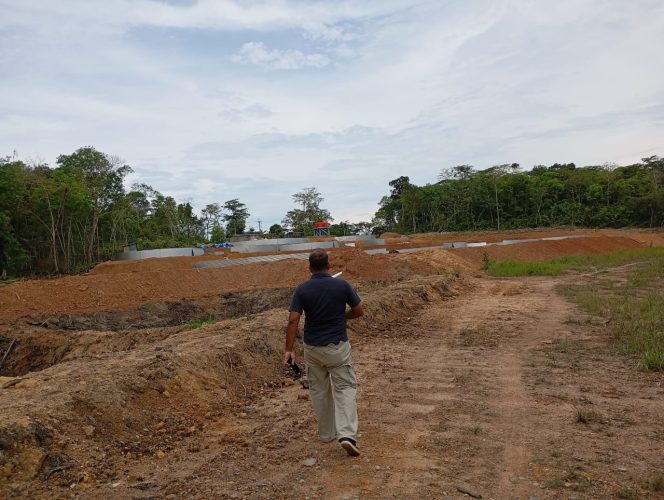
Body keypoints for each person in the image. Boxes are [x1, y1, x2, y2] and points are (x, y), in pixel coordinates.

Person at [284, 248, 364, 456]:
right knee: (345, 388)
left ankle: (328, 434)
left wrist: (289, 349)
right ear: (329, 266)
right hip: (337, 347)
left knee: (319, 391)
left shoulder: (302, 290)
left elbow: (293, 319)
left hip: (313, 349)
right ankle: (346, 434)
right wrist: (342, 316)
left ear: (310, 268)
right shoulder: (342, 285)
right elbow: (359, 311)